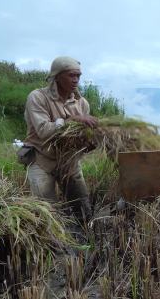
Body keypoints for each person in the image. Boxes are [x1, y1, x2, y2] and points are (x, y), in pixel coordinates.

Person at [23, 56, 98, 217]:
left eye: (78, 76)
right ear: (57, 76)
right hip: (42, 160)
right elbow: (43, 130)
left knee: (83, 209)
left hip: (69, 162)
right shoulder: (37, 98)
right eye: (71, 75)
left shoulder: (81, 103)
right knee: (47, 212)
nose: (76, 80)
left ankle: (84, 238)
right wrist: (71, 120)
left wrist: (90, 142)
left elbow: (81, 136)